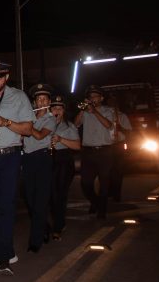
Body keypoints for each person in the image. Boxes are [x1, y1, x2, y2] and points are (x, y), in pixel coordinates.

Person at [0, 62, 34, 275]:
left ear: (7, 76)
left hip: (10, 156)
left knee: (6, 207)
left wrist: (6, 122)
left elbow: (28, 130)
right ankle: (8, 249)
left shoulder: (19, 97)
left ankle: (1, 259)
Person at [22, 83, 56, 254]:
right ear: (34, 103)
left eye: (44, 99)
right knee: (30, 199)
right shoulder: (29, 116)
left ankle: (35, 242)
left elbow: (39, 135)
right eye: (38, 99)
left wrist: (25, 126)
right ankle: (44, 225)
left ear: (49, 102)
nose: (41, 102)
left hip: (42, 158)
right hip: (28, 160)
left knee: (40, 199)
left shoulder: (51, 119)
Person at [74, 84, 115, 219]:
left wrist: (95, 112)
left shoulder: (108, 110)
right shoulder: (85, 111)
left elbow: (109, 125)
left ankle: (101, 210)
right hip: (88, 152)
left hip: (105, 151)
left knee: (104, 182)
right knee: (85, 183)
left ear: (101, 98)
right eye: (90, 97)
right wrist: (82, 110)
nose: (92, 99)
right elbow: (76, 124)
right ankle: (96, 202)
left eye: (95, 96)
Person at [48, 95, 80, 240]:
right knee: (49, 195)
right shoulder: (44, 123)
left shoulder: (69, 126)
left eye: (59, 108)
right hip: (48, 159)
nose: (56, 110)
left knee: (59, 195)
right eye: (54, 107)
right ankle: (57, 221)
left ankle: (58, 227)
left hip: (63, 160)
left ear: (64, 111)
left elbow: (77, 146)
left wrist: (60, 139)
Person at [107, 94, 132, 202]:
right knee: (107, 171)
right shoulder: (105, 115)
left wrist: (120, 127)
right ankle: (109, 192)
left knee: (118, 171)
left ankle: (116, 194)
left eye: (114, 103)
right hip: (107, 145)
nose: (111, 105)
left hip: (118, 145)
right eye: (110, 103)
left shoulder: (122, 116)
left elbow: (129, 131)